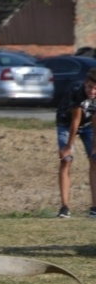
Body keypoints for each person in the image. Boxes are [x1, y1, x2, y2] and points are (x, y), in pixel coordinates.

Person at [55, 68, 96, 218]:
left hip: (88, 126)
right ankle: (64, 207)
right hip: (66, 123)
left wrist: (94, 147)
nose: (92, 91)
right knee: (66, 160)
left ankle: (94, 208)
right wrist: (68, 147)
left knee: (94, 159)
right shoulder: (77, 90)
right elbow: (75, 120)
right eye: (90, 87)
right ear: (86, 84)